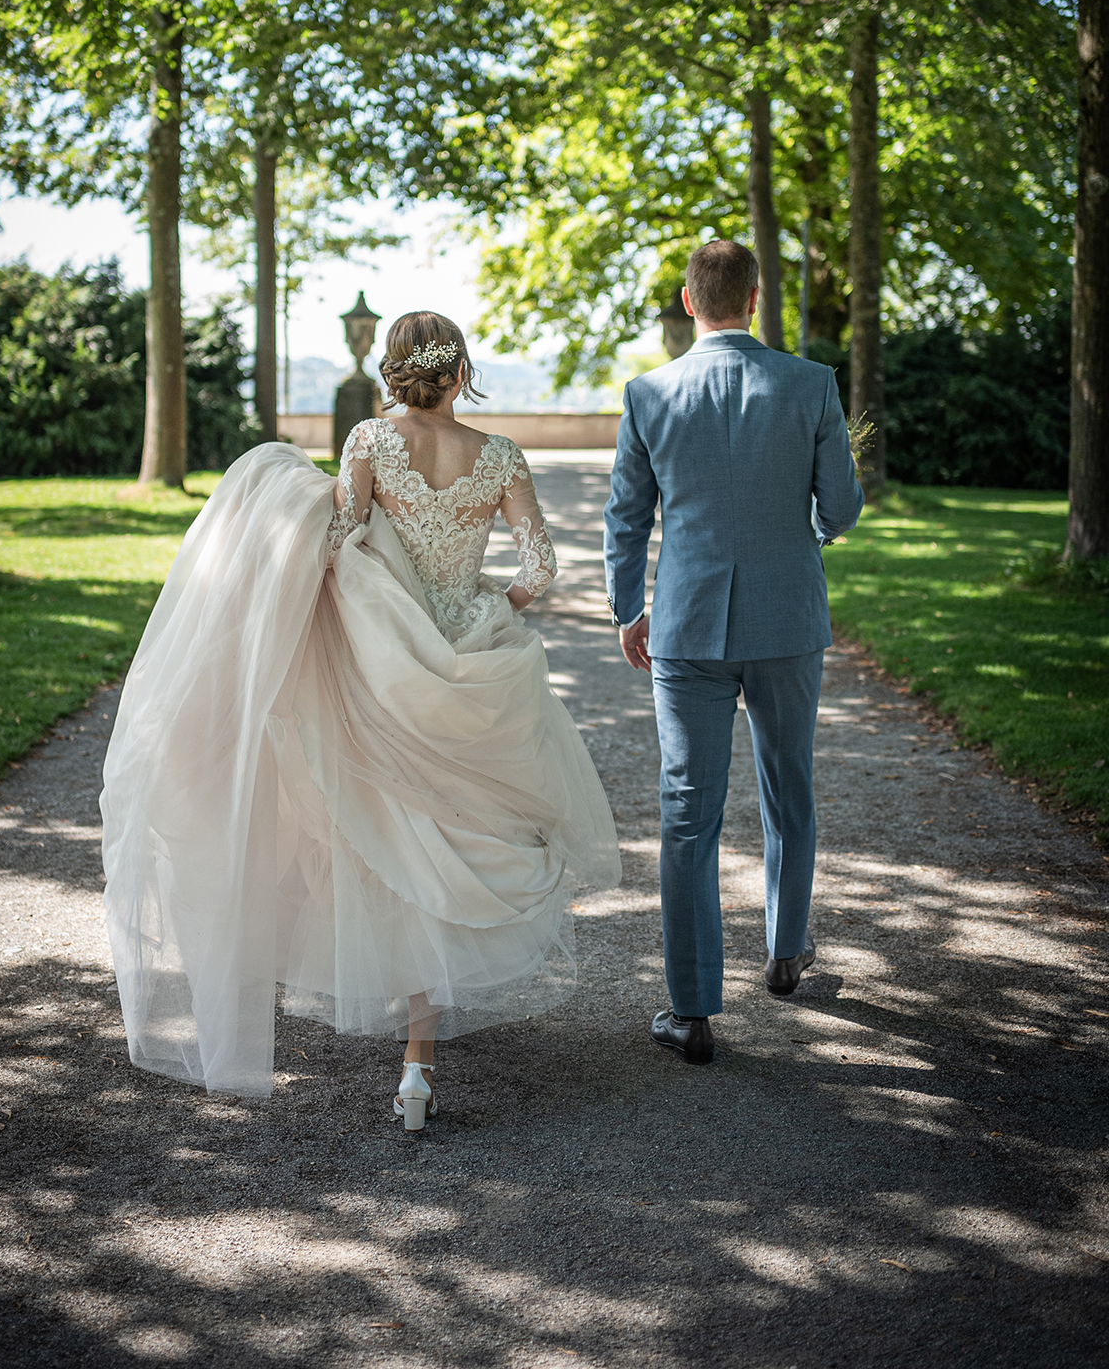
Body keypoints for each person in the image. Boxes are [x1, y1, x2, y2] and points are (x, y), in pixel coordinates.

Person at [100, 311, 619, 1129]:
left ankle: (417, 1060)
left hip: (386, 661)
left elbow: (335, 536)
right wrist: (494, 601)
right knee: (456, 829)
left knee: (393, 830)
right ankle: (418, 1057)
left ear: (396, 369)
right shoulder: (502, 456)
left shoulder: (370, 445)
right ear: (459, 371)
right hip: (473, 658)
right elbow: (541, 565)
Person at [603, 241, 864, 1065]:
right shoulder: (812, 383)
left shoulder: (648, 394)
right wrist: (804, 536)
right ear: (754, 300)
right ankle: (786, 954)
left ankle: (692, 1012)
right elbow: (843, 508)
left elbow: (626, 519)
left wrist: (628, 610)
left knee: (688, 813)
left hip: (685, 626)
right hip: (789, 621)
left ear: (689, 301)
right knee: (790, 786)